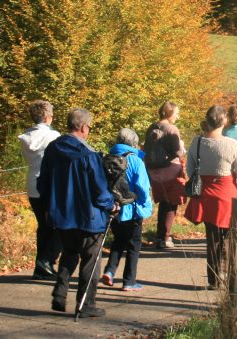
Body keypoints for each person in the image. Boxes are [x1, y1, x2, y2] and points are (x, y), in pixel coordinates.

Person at [38, 108, 117, 319]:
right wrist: (111, 205)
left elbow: (42, 182)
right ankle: (85, 304)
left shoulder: (53, 149)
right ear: (83, 127)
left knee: (70, 252)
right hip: (88, 216)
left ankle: (60, 293)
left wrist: (49, 206)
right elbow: (100, 190)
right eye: (89, 127)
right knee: (91, 259)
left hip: (61, 214)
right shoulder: (89, 155)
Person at [184, 105, 237, 289]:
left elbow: (190, 170)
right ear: (224, 121)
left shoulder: (197, 142)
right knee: (229, 238)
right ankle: (228, 275)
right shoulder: (231, 144)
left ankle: (213, 279)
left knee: (212, 239)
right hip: (228, 195)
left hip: (205, 196)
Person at [101, 128, 153, 292]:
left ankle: (109, 271)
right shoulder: (136, 161)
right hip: (132, 209)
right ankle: (129, 281)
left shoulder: (108, 158)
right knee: (133, 245)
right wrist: (145, 205)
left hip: (114, 208)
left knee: (118, 241)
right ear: (134, 143)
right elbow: (143, 188)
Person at [18, 99, 62, 280]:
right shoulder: (53, 136)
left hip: (32, 183)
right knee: (58, 225)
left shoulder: (26, 137)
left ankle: (42, 264)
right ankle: (46, 261)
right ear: (47, 117)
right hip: (50, 183)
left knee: (43, 226)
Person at [144, 102, 185, 249]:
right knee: (171, 203)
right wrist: (182, 146)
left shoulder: (152, 127)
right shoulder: (171, 129)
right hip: (170, 170)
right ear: (169, 113)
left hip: (154, 170)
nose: (178, 116)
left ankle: (159, 236)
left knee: (163, 202)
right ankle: (164, 238)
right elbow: (177, 152)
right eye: (176, 113)